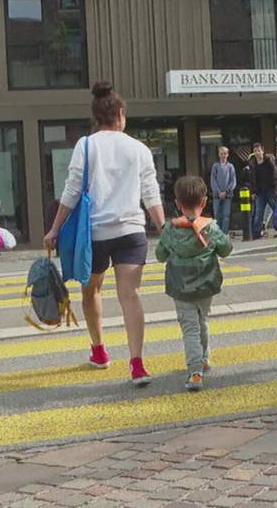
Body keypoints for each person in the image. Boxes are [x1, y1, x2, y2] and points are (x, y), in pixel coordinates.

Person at [44, 82, 166, 386]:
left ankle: (99, 351)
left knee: (92, 292)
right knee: (130, 296)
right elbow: (151, 193)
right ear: (121, 115)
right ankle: (137, 364)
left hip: (94, 234)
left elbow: (71, 192)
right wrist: (164, 228)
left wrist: (55, 229)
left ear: (97, 116)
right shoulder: (139, 149)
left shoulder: (85, 146)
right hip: (131, 231)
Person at [156, 176, 232, 392]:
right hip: (206, 285)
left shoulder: (170, 230)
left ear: (178, 204)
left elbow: (160, 255)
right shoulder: (211, 228)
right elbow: (226, 249)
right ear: (204, 202)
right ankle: (204, 358)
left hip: (180, 287)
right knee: (202, 320)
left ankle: (195, 372)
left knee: (189, 328)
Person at [249, 143, 277, 239]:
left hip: (271, 190)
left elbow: (276, 175)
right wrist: (253, 192)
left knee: (276, 210)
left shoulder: (269, 161)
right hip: (260, 192)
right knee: (259, 213)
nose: (257, 153)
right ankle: (257, 233)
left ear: (262, 151)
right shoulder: (253, 164)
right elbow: (252, 179)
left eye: (259, 150)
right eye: (255, 151)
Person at [209, 146, 237, 235]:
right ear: (218, 154)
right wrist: (218, 191)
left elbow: (233, 181)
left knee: (226, 215)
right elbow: (213, 180)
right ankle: (218, 233)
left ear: (227, 155)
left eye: (225, 153)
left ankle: (224, 234)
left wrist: (226, 191)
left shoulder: (230, 167)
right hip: (217, 195)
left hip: (227, 195)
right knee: (217, 215)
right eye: (221, 153)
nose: (223, 155)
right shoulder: (215, 166)